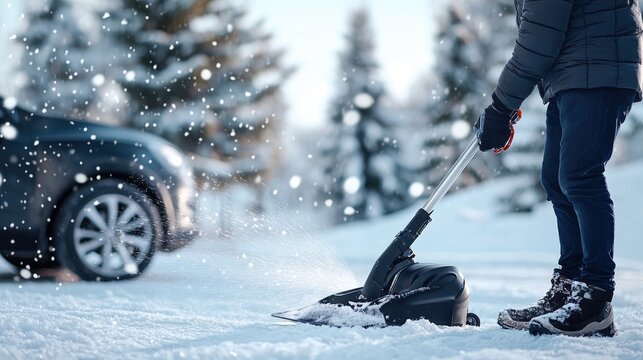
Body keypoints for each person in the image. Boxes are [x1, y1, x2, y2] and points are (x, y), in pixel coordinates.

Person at [474, 0, 642, 337]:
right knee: (556, 180)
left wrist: (501, 106)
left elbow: (539, 39)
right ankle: (570, 286)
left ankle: (595, 297)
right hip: (575, 73)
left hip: (596, 69)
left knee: (580, 177)